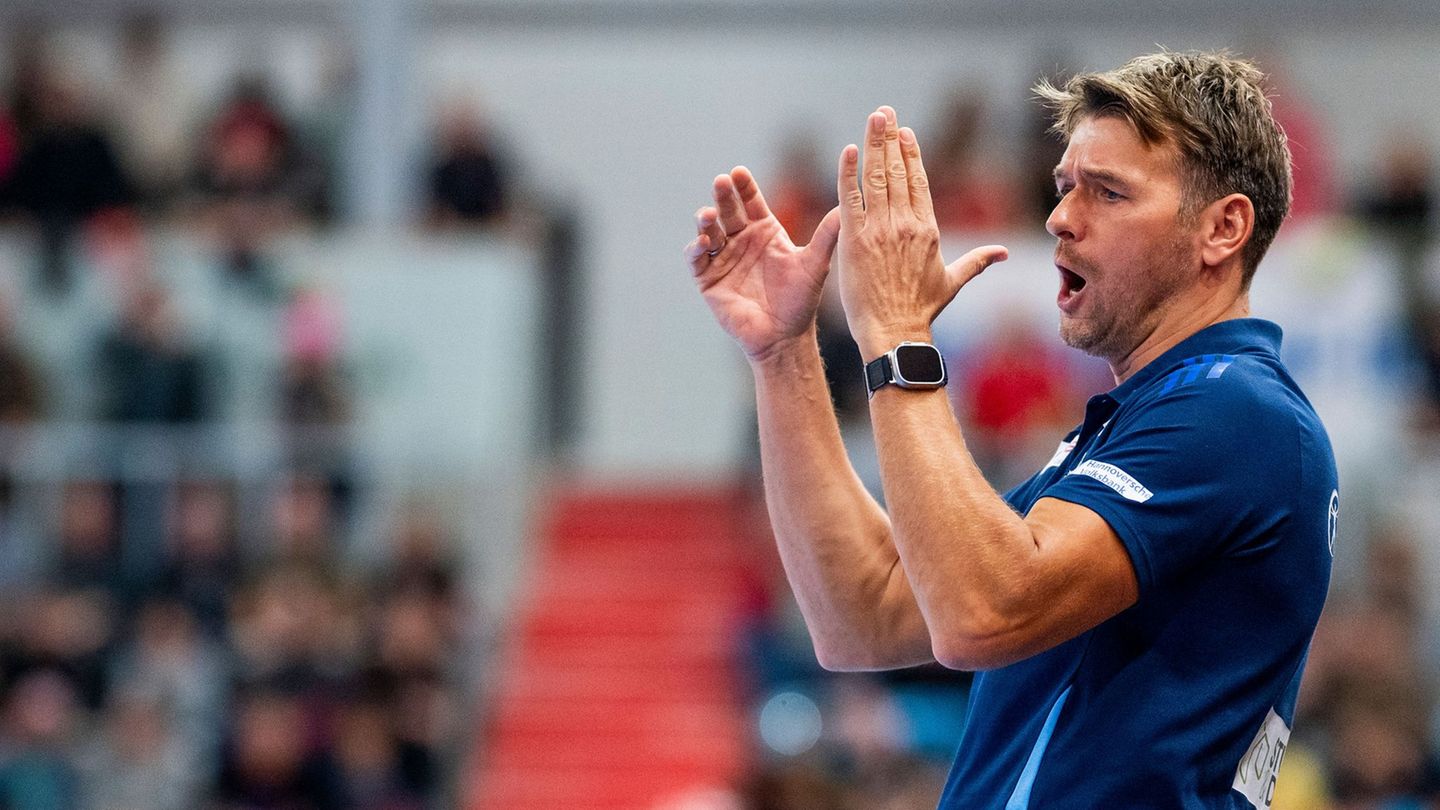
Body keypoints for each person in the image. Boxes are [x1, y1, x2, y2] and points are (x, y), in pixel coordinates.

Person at [684, 51, 1337, 808]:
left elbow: (981, 613)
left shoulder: (1235, 411)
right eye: (1063, 188)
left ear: (1223, 227)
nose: (1060, 216)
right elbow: (860, 611)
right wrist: (784, 355)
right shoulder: (1133, 427)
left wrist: (898, 332)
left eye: (1109, 192)